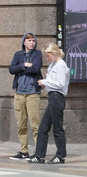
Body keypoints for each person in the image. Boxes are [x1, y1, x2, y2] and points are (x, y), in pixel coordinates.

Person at [30, 43, 69, 165]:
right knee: (43, 128)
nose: (47, 58)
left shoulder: (61, 65)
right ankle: (39, 155)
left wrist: (45, 82)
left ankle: (60, 155)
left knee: (57, 128)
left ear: (54, 53)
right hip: (53, 97)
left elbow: (60, 83)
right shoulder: (54, 65)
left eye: (48, 55)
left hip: (57, 97)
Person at [8, 32, 42, 160]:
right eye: (29, 41)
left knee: (35, 125)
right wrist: (23, 65)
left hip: (32, 94)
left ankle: (39, 152)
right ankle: (24, 151)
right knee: (21, 124)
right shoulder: (18, 54)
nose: (32, 43)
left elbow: (35, 69)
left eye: (33, 40)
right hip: (19, 94)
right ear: (24, 42)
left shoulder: (37, 54)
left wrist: (20, 69)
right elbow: (11, 69)